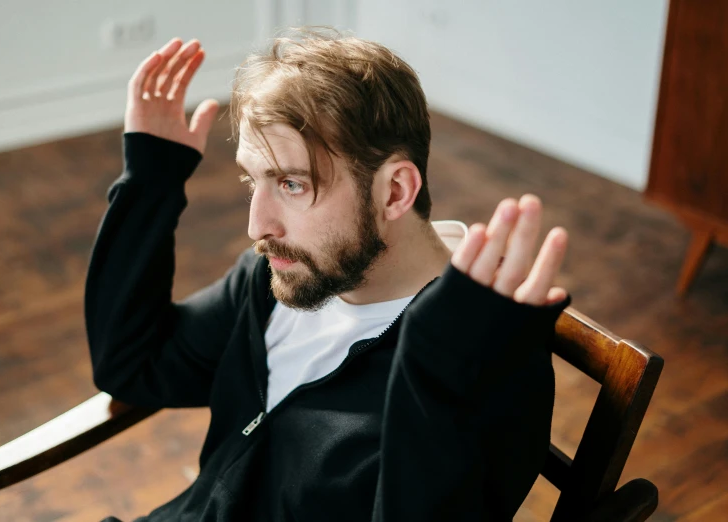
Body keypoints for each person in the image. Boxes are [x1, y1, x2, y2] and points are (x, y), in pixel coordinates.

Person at [86, 28, 570, 522]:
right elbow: (132, 365)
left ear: (395, 191)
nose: (258, 226)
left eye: (293, 184)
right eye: (253, 180)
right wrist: (150, 178)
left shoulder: (476, 357)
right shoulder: (274, 280)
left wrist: (432, 372)